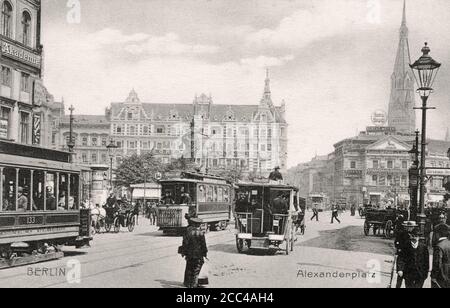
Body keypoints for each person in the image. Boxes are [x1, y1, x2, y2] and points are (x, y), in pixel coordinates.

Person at [180, 217, 208, 288]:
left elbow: (185, 243)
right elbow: (203, 244)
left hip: (189, 254)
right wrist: (205, 253)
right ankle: (194, 284)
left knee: (189, 267)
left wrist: (184, 252)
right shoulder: (200, 233)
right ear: (197, 225)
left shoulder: (188, 232)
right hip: (198, 254)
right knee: (196, 269)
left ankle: (187, 283)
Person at [431, 224, 450, 289]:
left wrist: (433, 276)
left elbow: (437, 263)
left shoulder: (439, 246)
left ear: (437, 234)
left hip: (442, 274)